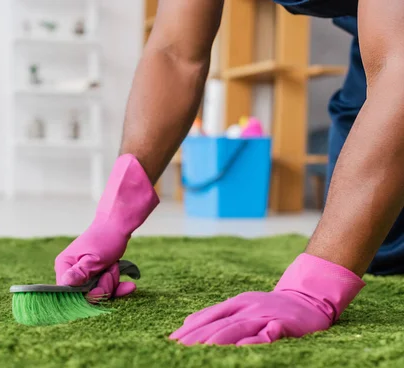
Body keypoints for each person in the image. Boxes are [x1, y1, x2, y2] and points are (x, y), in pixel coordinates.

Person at [54, 0, 404, 346]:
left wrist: (311, 289)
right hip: (373, 29)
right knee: (380, 248)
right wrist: (113, 216)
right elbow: (175, 53)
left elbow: (399, 67)